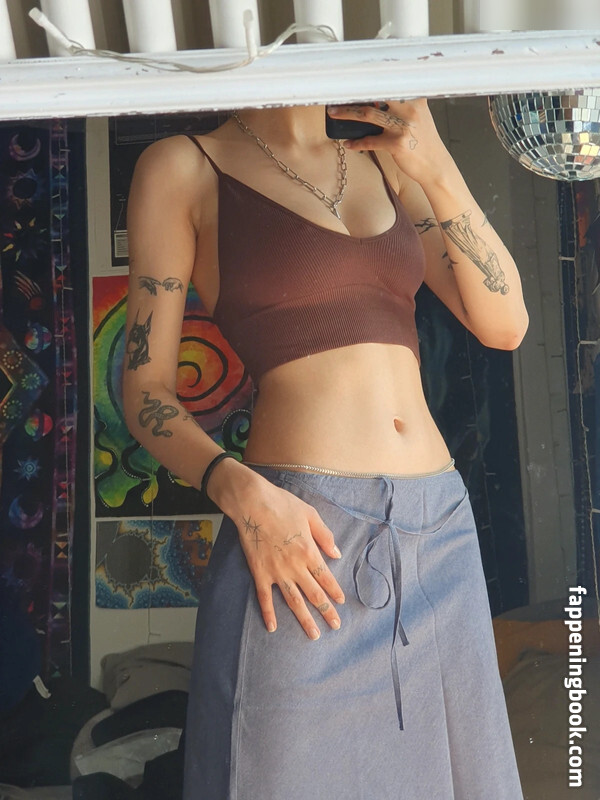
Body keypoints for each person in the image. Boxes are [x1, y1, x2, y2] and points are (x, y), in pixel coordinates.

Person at [123, 101, 528, 800]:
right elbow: (144, 390)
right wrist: (240, 490)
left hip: (437, 531)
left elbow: (506, 324)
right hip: (301, 534)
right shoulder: (184, 165)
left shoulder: (386, 162)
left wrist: (436, 165)